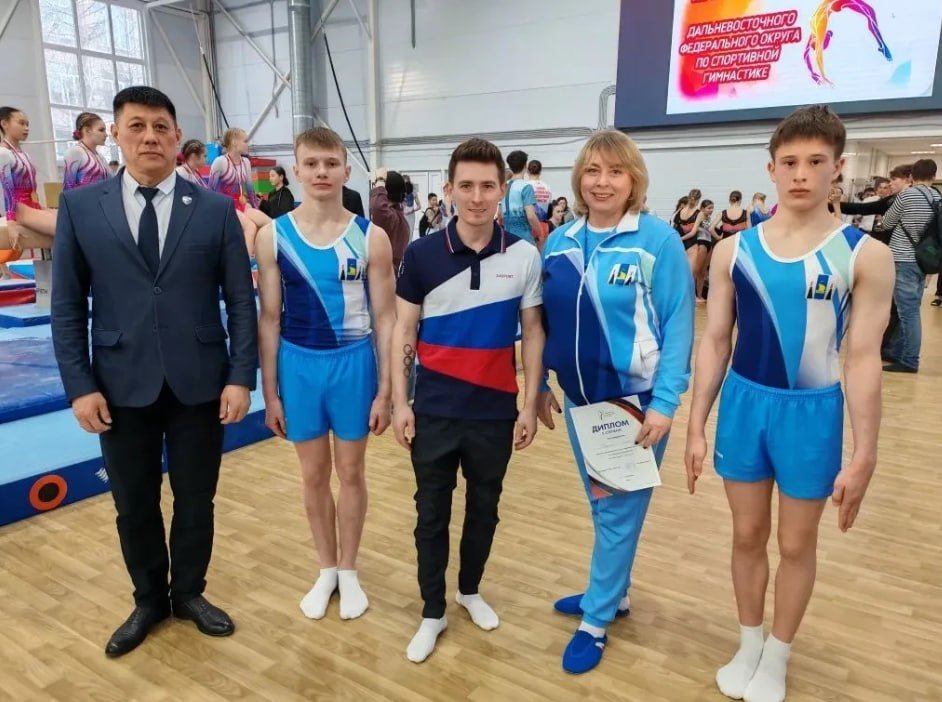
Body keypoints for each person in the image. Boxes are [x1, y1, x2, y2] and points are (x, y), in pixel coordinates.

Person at [685, 105, 894, 702]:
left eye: (816, 162)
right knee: (747, 534)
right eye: (790, 162)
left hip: (812, 413)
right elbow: (716, 341)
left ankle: (777, 653)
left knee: (798, 544)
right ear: (771, 169)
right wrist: (696, 424)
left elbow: (862, 359)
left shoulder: (864, 254)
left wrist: (865, 454)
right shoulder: (733, 251)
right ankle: (749, 642)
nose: (801, 174)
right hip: (745, 405)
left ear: (838, 168)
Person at [50, 86, 258, 658]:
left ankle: (188, 592)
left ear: (177, 136)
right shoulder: (81, 208)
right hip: (119, 384)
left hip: (200, 381)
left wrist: (241, 376)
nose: (149, 137)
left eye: (161, 127)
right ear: (115, 134)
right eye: (137, 126)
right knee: (133, 502)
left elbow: (241, 302)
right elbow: (66, 306)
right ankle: (148, 599)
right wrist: (79, 386)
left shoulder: (214, 209)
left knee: (196, 499)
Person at [538, 130, 695, 675]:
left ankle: (596, 620)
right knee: (602, 505)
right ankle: (615, 592)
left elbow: (679, 325)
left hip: (634, 404)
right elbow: (543, 319)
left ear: (634, 180)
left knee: (617, 514)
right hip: (580, 401)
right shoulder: (559, 241)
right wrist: (540, 382)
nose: (602, 182)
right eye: (592, 171)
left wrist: (665, 402)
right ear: (578, 178)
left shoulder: (657, 241)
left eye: (615, 171)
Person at [391, 138, 544, 664]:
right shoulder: (421, 254)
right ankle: (432, 610)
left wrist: (529, 404)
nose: (477, 197)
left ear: (503, 189)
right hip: (433, 409)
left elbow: (533, 332)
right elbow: (403, 329)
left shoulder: (524, 255)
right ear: (449, 189)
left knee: (485, 509)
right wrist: (400, 402)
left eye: (487, 186)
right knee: (431, 515)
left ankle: (469, 590)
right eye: (466, 186)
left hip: (495, 411)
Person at [256, 126, 396, 623]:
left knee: (351, 472)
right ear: (296, 170)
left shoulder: (371, 237)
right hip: (299, 366)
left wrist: (386, 391)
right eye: (312, 163)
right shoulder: (272, 236)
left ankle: (350, 569)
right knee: (313, 474)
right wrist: (270, 393)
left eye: (330, 163)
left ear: (346, 170)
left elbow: (386, 318)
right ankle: (326, 569)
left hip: (354, 365)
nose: (321, 172)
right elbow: (268, 318)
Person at [878, 158, 940, 373]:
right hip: (925, 260)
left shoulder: (907, 195)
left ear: (912, 176)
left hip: (903, 258)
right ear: (934, 176)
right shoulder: (938, 197)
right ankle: (896, 351)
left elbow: (887, 223)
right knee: (910, 308)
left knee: (908, 312)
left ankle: (910, 360)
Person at [0, 106, 56, 254]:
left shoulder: (23, 154)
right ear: (4, 124)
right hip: (19, 209)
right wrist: (11, 221)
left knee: (71, 221)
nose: (26, 128)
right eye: (21, 123)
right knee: (63, 228)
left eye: (27, 124)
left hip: (32, 205)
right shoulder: (3, 153)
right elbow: (6, 189)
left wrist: (41, 208)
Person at [209, 127, 271, 257]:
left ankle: (259, 255)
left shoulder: (246, 162)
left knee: (269, 223)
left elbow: (250, 188)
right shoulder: (220, 162)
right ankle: (246, 262)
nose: (248, 144)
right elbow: (210, 191)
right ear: (234, 142)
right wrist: (214, 215)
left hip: (240, 204)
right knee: (250, 228)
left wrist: (255, 207)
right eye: (245, 141)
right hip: (226, 207)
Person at [369, 169, 410, 273]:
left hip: (383, 275)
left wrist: (380, 180)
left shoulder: (391, 217)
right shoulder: (397, 216)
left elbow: (377, 206)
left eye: (376, 185)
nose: (375, 188)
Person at [499, 150, 541, 246]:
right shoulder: (526, 187)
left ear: (510, 167)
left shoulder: (504, 187)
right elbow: (531, 216)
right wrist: (540, 233)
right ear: (525, 166)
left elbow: (500, 215)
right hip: (524, 238)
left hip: (507, 238)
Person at [63, 112, 111, 191]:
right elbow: (68, 188)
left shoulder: (100, 156)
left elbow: (112, 182)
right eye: (101, 130)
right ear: (87, 130)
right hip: (84, 198)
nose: (106, 134)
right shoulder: (75, 152)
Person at [691, 199, 716, 301]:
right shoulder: (700, 214)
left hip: (708, 242)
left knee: (703, 271)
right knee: (696, 270)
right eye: (709, 208)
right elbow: (695, 228)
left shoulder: (708, 217)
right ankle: (692, 295)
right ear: (702, 208)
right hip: (701, 241)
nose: (711, 210)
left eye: (712, 208)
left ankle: (699, 295)